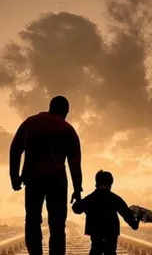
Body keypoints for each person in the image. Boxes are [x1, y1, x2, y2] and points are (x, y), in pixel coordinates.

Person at [9, 95, 83, 255]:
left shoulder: (30, 123)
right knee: (57, 225)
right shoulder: (67, 129)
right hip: (57, 182)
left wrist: (14, 177)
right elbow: (75, 162)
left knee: (33, 221)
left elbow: (15, 149)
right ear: (65, 111)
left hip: (33, 179)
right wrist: (77, 190)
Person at [72, 170, 140, 255]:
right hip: (111, 232)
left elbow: (76, 209)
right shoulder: (115, 199)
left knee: (95, 250)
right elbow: (126, 214)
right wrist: (135, 223)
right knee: (110, 251)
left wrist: (77, 199)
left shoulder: (90, 199)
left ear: (96, 183)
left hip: (95, 231)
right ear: (110, 184)